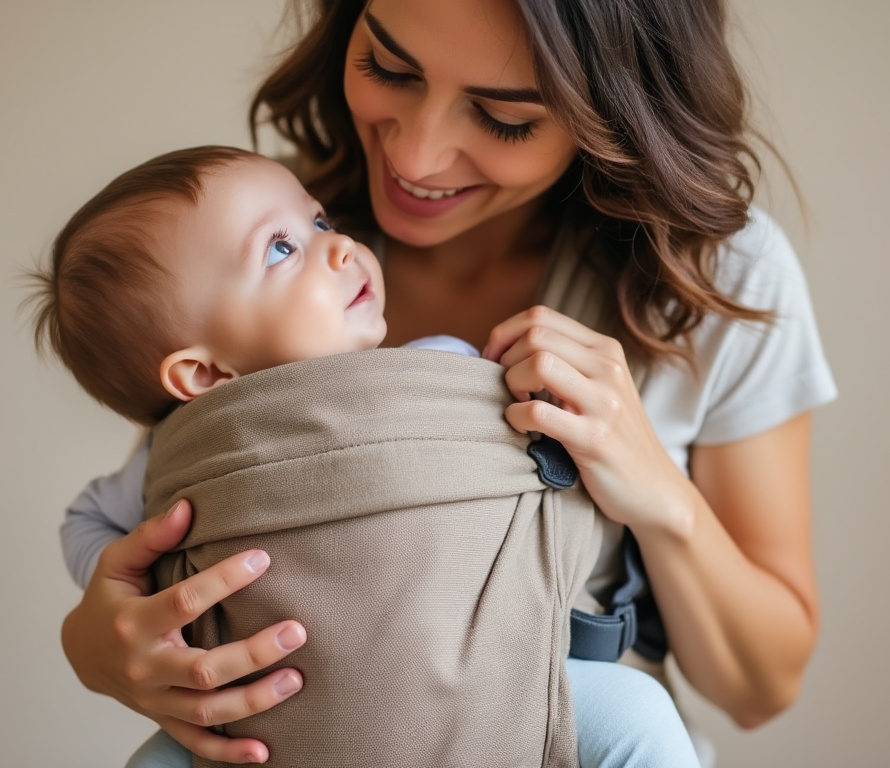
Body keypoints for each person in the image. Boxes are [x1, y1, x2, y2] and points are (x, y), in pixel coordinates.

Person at [59, 0, 837, 765]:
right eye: (389, 67)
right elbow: (162, 506)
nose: (417, 156)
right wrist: (99, 644)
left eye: (504, 119)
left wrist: (656, 489)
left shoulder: (719, 280)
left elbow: (759, 690)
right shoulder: (229, 237)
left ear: (614, 111)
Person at [33, 145, 701, 767]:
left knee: (640, 716)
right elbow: (90, 523)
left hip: (503, 676)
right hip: (276, 722)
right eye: (281, 249)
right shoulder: (177, 455)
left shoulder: (448, 367)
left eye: (319, 221)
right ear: (204, 378)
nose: (337, 247)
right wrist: (129, 608)